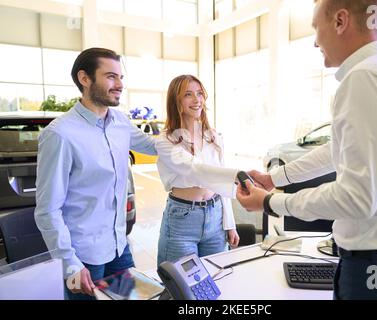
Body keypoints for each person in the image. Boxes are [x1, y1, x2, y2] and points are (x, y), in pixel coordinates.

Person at [237, 0, 377, 300]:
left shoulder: (365, 78)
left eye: (315, 27)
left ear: (340, 21)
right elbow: (338, 149)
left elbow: (357, 198)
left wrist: (273, 203)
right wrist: (276, 178)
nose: (315, 41)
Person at [34, 48, 158, 300]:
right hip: (83, 256)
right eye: (111, 77)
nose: (120, 85)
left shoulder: (120, 122)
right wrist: (70, 262)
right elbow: (48, 210)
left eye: (121, 78)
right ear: (85, 78)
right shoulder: (60, 134)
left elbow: (155, 147)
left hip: (118, 246)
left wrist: (188, 126)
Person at [156, 75, 240, 266]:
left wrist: (230, 225)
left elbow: (220, 184)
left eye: (200, 93)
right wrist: (237, 177)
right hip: (182, 220)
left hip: (215, 215)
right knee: (183, 286)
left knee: (216, 278)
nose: (197, 100)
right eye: (188, 94)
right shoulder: (166, 141)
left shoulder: (213, 136)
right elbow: (195, 170)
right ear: (175, 101)